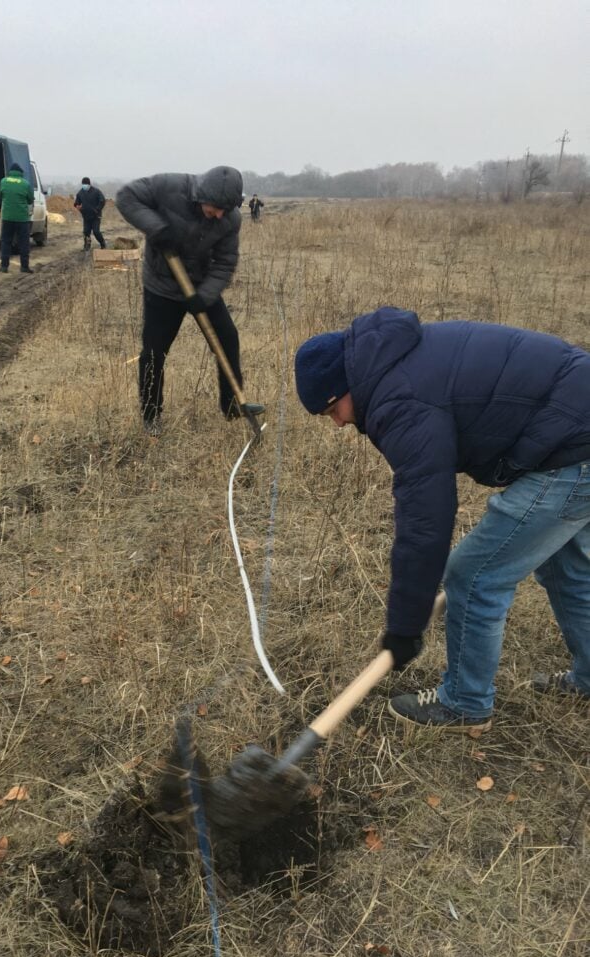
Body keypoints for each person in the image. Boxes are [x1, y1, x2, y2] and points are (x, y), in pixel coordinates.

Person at [294, 306, 590, 732]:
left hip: (573, 449)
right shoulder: (394, 362)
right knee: (567, 569)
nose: (338, 424)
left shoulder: (401, 402)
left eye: (331, 411)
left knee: (474, 575)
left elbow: (425, 520)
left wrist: (404, 625)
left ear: (342, 389)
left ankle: (466, 702)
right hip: (576, 426)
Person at [116, 165, 247, 433]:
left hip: (200, 285)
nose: (219, 214)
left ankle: (233, 406)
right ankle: (151, 415)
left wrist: (206, 295)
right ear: (202, 195)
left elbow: (225, 262)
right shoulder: (168, 186)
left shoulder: (230, 220)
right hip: (162, 284)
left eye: (225, 210)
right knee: (154, 351)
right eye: (215, 207)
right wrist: (157, 229)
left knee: (228, 338)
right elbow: (126, 197)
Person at [0, 163, 34, 273]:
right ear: (20, 173)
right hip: (22, 219)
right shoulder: (25, 184)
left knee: (6, 242)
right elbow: (30, 199)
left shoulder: (3, 181)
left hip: (7, 217)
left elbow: (1, 195)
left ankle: (4, 266)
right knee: (23, 243)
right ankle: (24, 267)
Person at [74, 177, 107, 251]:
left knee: (96, 231)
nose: (84, 186)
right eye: (83, 184)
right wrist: (77, 206)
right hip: (86, 216)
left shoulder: (96, 191)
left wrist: (97, 209)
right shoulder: (80, 193)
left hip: (96, 216)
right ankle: (87, 246)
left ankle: (103, 243)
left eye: (85, 184)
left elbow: (102, 201)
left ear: (89, 184)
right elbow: (77, 202)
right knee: (86, 232)